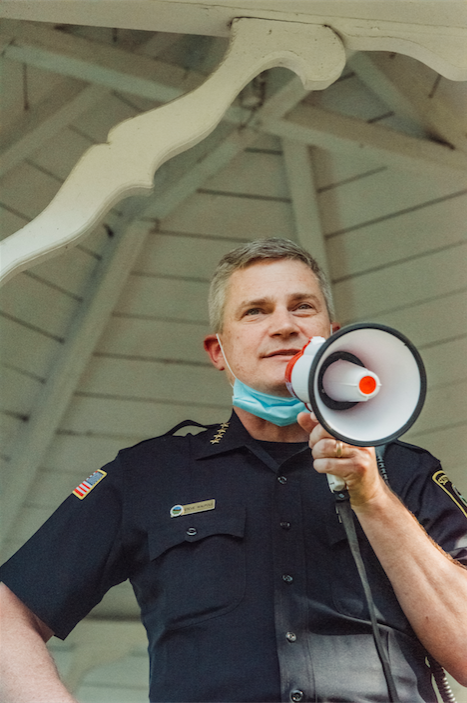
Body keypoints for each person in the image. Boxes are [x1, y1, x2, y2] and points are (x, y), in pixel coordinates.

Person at [1, 237, 467, 703]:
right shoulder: (149, 474)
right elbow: (9, 611)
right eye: (255, 311)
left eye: (302, 307)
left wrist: (373, 497)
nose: (284, 325)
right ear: (218, 351)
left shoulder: (405, 471)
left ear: (334, 334)